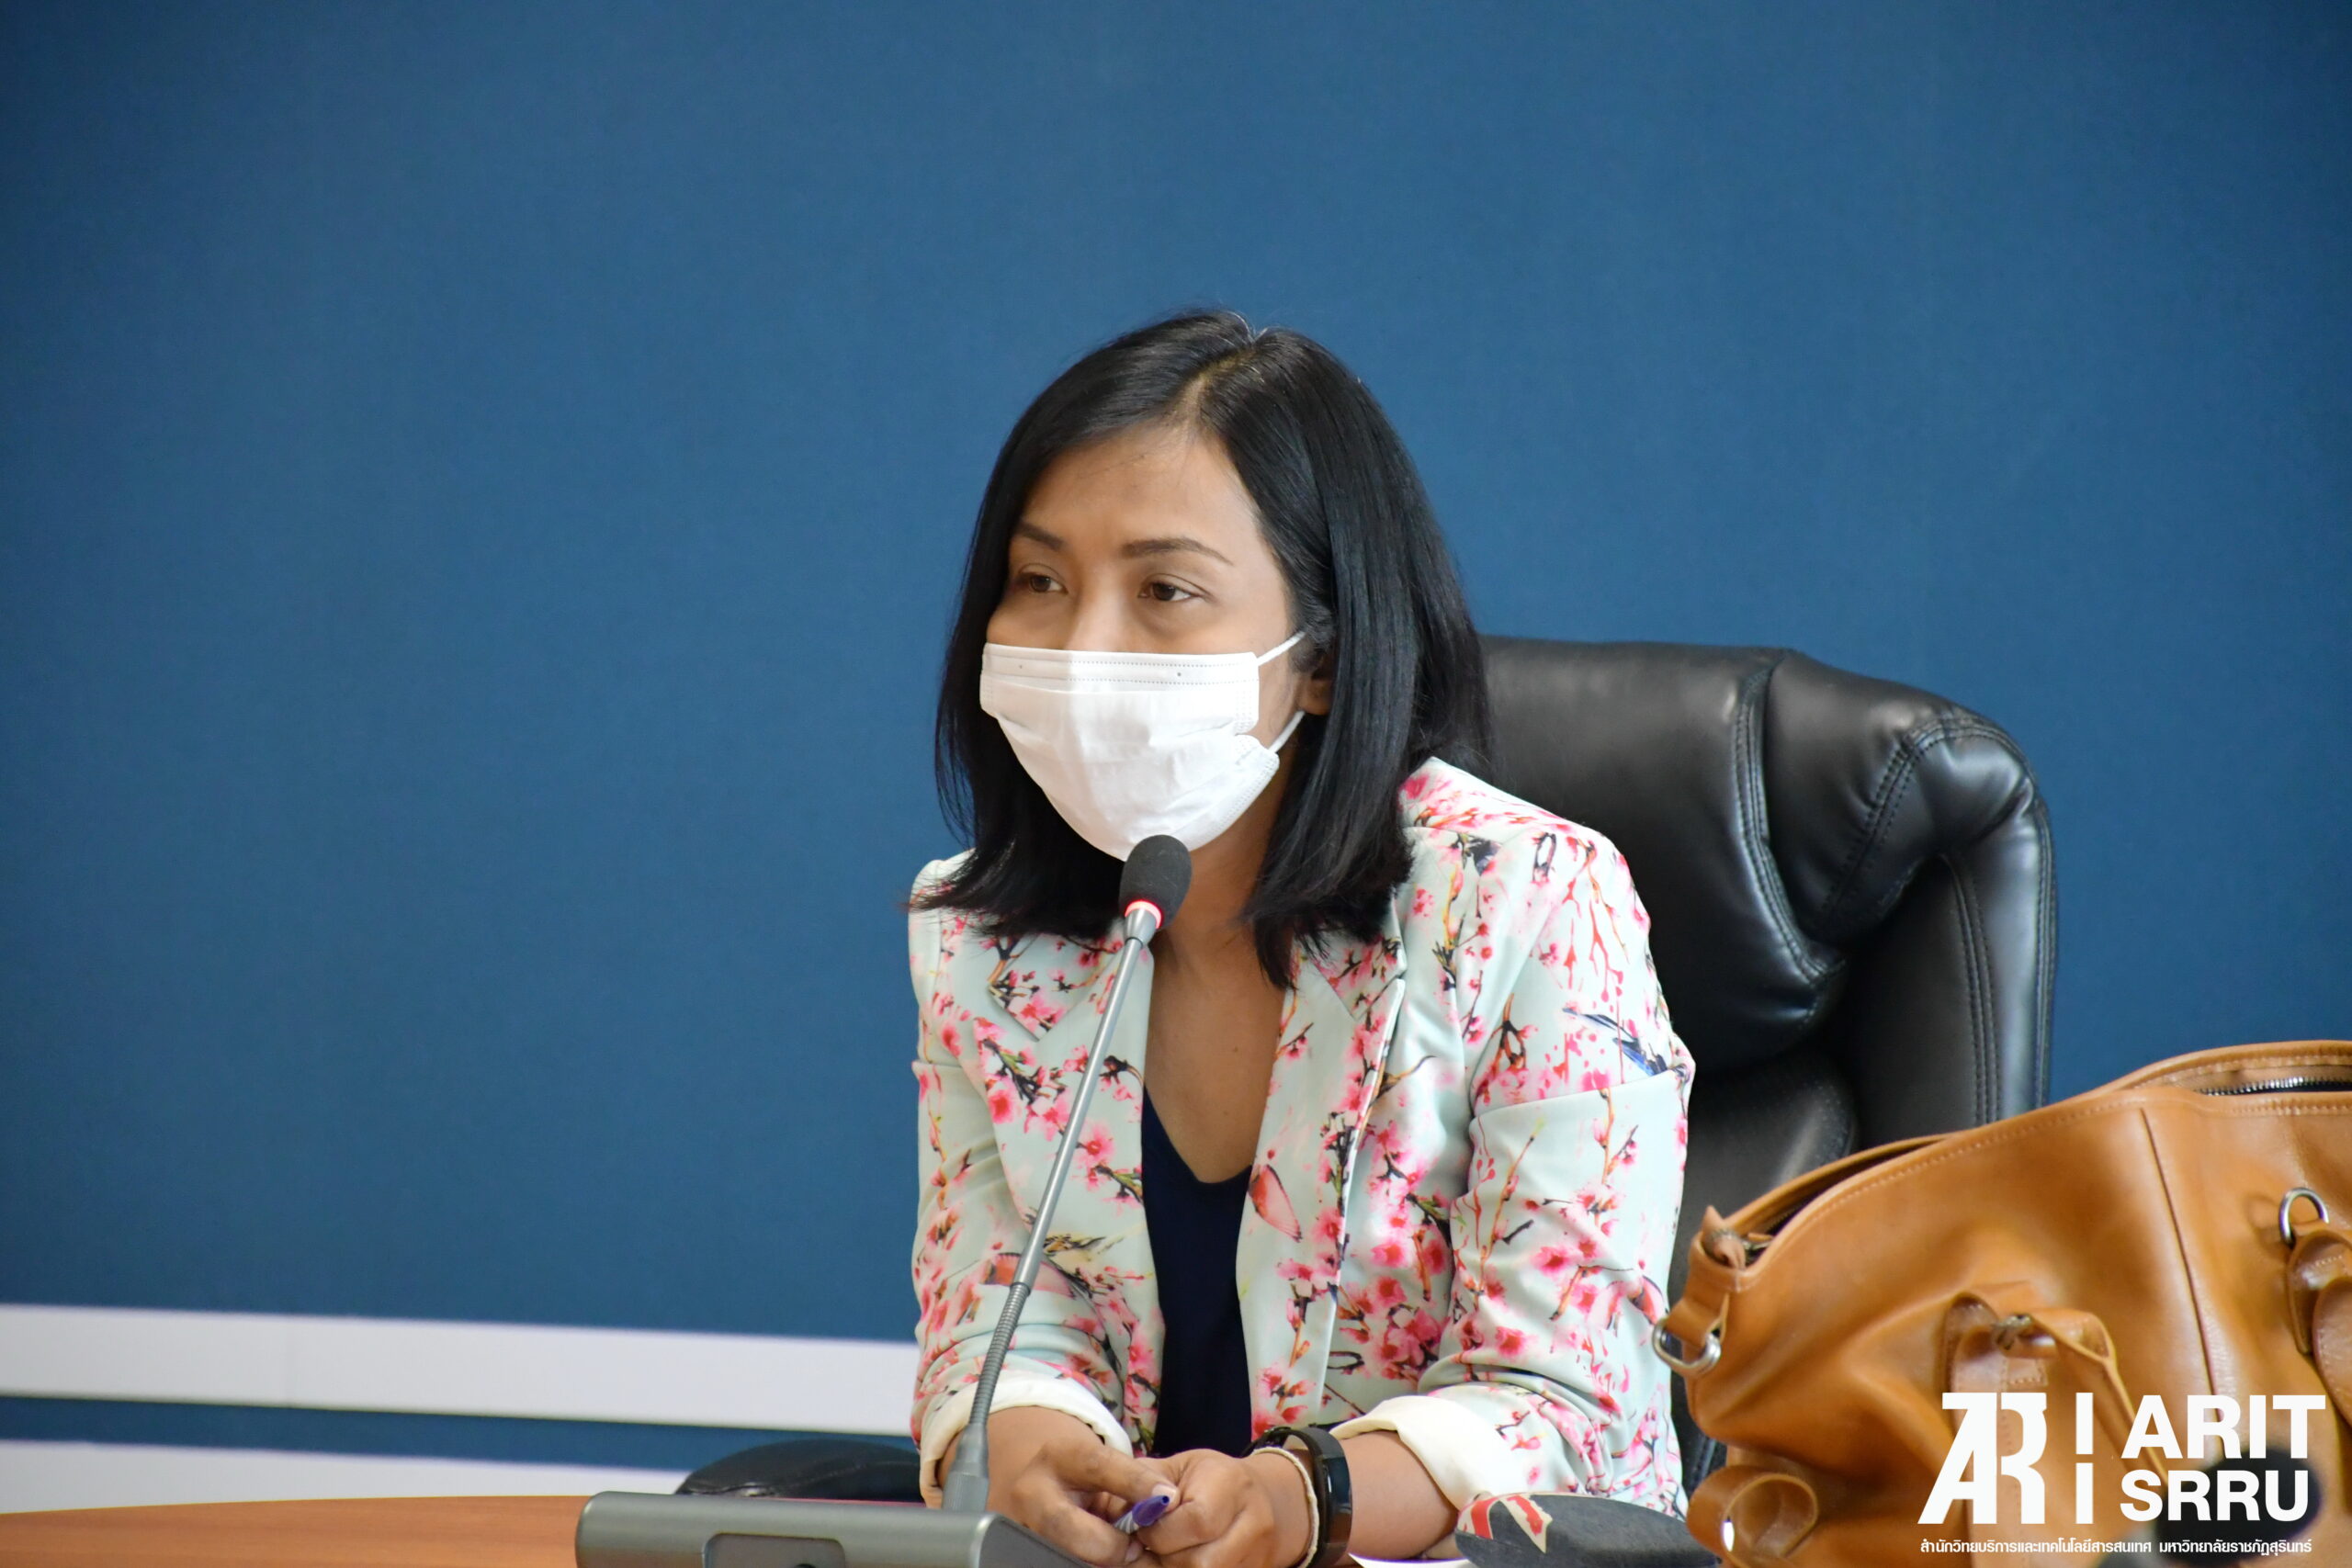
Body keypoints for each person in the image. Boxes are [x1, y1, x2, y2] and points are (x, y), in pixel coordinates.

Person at [907, 310, 1693, 1568]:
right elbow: (999, 1316)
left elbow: (1567, 1409)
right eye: (1040, 581)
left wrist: (1296, 1500)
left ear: (1321, 658)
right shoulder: (983, 941)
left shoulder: (1531, 903)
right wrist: (1029, 1439)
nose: (1083, 647)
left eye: (1164, 591)